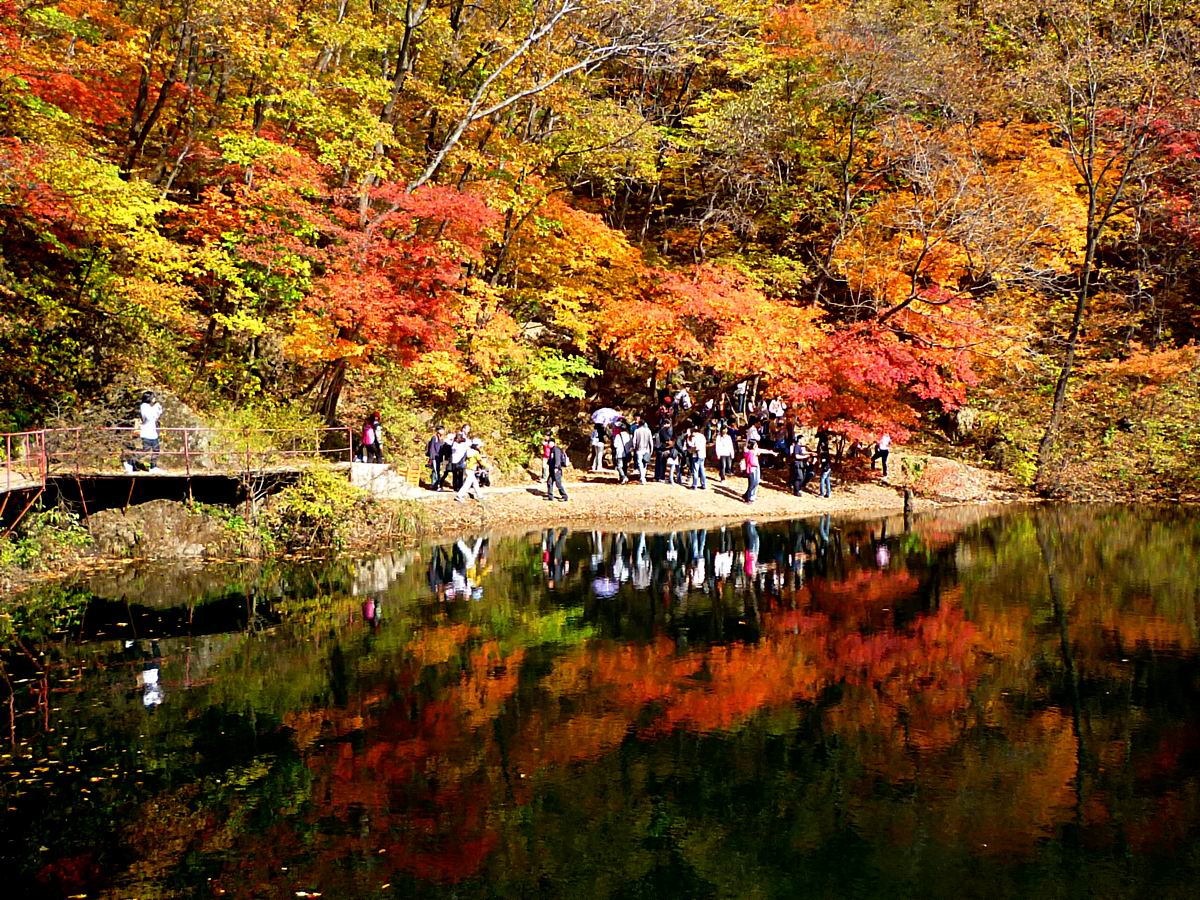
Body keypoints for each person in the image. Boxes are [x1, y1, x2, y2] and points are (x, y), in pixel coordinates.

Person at [742, 439, 776, 504]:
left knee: (756, 482)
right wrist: (756, 457)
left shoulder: (755, 450)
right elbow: (750, 462)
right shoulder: (749, 452)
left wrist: (771, 452)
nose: (756, 446)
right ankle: (748, 498)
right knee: (752, 484)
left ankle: (750, 495)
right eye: (755, 445)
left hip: (756, 468)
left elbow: (763, 450)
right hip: (751, 470)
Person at [138, 391, 163, 471]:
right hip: (146, 432)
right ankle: (131, 460)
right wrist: (155, 408)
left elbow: (155, 417)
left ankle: (153, 466)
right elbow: (148, 417)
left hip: (153, 432)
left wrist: (157, 409)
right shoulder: (144, 406)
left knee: (156, 449)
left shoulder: (149, 406)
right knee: (146, 450)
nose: (154, 399)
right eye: (152, 397)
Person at [546, 437, 570, 501]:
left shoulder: (556, 449)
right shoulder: (552, 450)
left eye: (551, 443)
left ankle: (564, 496)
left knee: (558, 484)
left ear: (554, 443)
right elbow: (551, 459)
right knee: (549, 482)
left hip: (557, 470)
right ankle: (550, 496)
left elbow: (557, 459)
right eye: (549, 443)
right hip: (552, 470)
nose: (550, 444)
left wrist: (556, 467)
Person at [632, 417, 653, 484]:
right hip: (647, 449)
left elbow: (634, 441)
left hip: (639, 449)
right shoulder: (648, 431)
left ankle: (642, 478)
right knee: (645, 463)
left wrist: (634, 448)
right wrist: (651, 450)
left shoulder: (636, 431)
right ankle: (643, 477)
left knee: (640, 463)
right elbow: (651, 441)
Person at [426, 425, 447, 490]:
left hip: (439, 457)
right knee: (435, 470)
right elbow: (432, 448)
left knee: (436, 470)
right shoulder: (434, 438)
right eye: (442, 430)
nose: (443, 431)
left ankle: (434, 484)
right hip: (434, 457)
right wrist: (431, 458)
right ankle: (435, 484)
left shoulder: (441, 439)